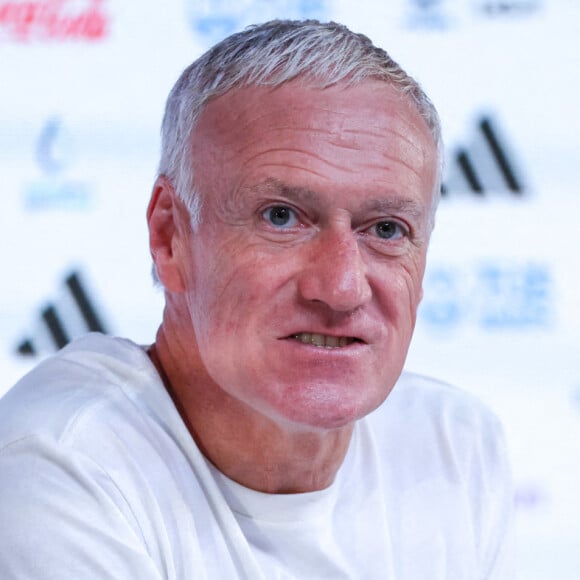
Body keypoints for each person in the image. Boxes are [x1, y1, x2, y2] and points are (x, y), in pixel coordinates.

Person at [0, 19, 513, 579]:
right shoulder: (59, 462)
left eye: (386, 230)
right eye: (282, 217)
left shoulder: (454, 447)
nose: (341, 288)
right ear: (170, 237)